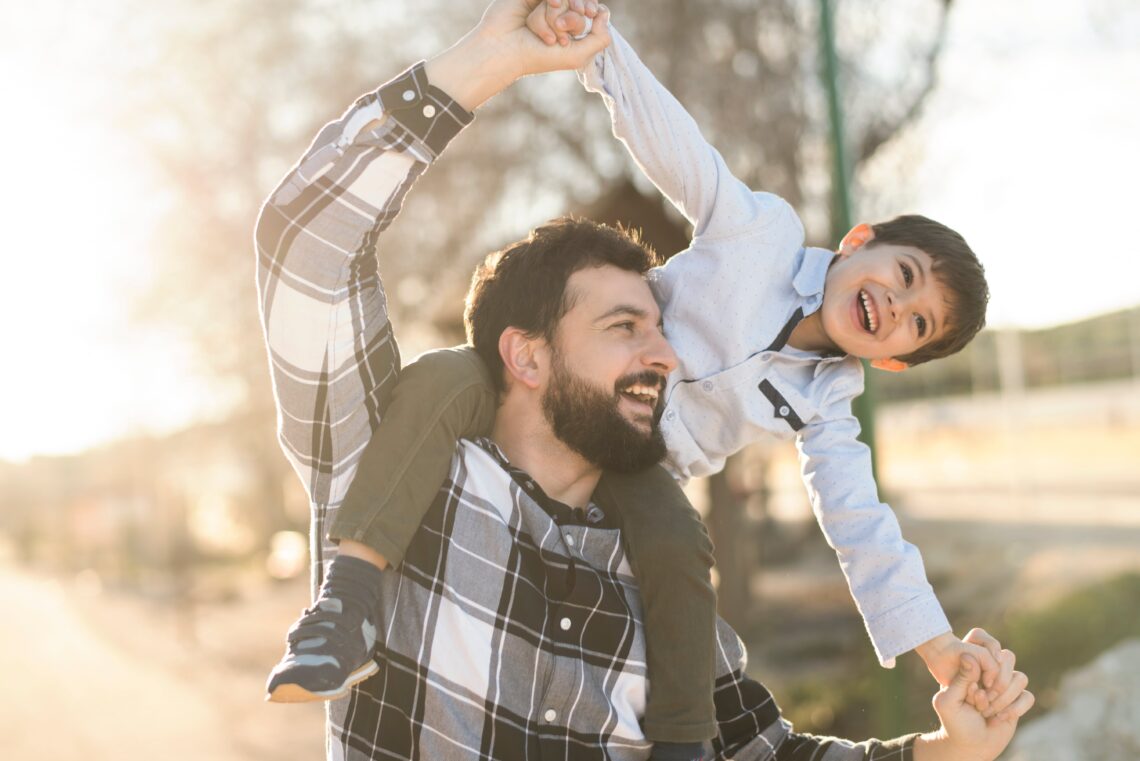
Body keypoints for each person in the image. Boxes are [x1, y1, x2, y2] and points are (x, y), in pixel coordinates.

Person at [258, 1, 1032, 758]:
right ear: (859, 240)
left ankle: (684, 744)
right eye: (626, 324)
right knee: (439, 377)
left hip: (650, 475)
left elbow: (863, 531)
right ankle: (347, 601)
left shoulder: (807, 427)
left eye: (917, 323)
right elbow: (675, 147)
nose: (665, 355)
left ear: (894, 358)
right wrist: (578, 49)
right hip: (455, 431)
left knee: (680, 544)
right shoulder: (405, 465)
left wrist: (940, 706)